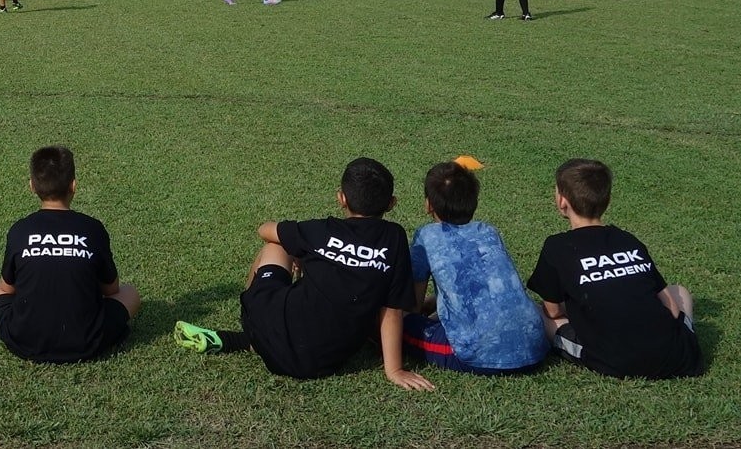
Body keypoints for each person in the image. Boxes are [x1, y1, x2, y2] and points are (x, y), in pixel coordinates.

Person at [235, 157, 432, 390]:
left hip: (276, 338)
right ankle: (256, 332)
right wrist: (394, 370)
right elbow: (392, 309)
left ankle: (251, 326)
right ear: (391, 203)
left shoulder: (322, 230)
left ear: (341, 199)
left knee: (274, 245)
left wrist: (298, 248)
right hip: (324, 362)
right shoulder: (394, 237)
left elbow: (264, 229)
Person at [527, 159, 702, 379]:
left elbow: (552, 311)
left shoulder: (557, 246)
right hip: (680, 355)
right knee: (680, 290)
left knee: (536, 313)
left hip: (616, 361)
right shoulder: (628, 240)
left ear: (562, 201)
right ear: (607, 200)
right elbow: (671, 306)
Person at [0, 145, 140, 363]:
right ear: (73, 186)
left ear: (32, 186)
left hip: (26, 340)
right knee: (130, 293)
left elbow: (7, 289)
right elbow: (111, 289)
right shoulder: (92, 228)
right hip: (87, 341)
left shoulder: (20, 229)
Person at [403, 161, 548, 374]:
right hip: (536, 345)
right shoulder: (488, 231)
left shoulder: (427, 236)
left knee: (397, 324)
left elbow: (414, 306)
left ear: (428, 205)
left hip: (477, 356)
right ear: (474, 201)